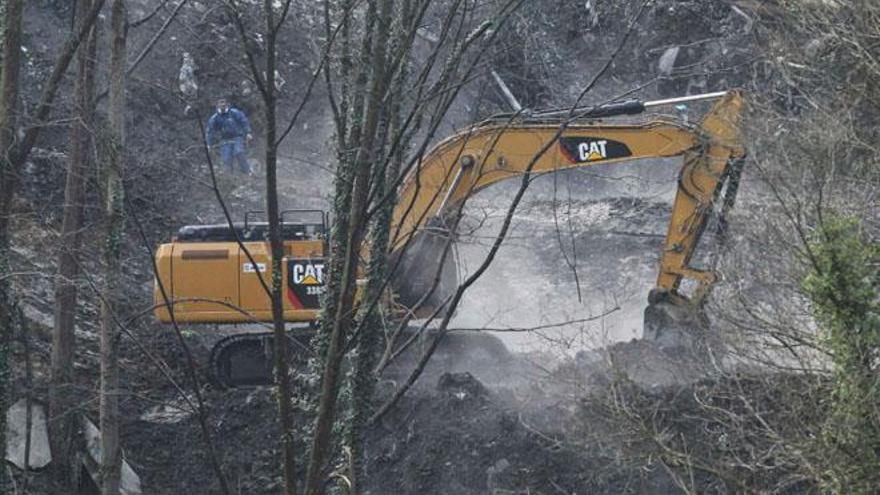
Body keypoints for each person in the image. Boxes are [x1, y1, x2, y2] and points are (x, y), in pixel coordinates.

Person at [206, 98, 253, 174]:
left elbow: (244, 121)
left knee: (239, 152)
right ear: (217, 105)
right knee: (226, 159)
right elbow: (210, 132)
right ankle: (230, 178)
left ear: (227, 103)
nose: (223, 104)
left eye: (224, 102)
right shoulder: (214, 118)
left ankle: (248, 172)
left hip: (237, 137)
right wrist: (209, 144)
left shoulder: (234, 113)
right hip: (225, 140)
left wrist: (248, 132)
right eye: (221, 102)